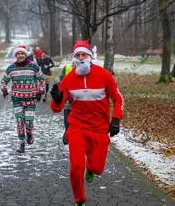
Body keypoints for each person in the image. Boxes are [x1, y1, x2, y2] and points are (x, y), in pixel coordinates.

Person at [50, 40, 124, 206]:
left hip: (99, 129)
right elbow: (57, 108)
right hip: (77, 128)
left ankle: (91, 169)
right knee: (76, 167)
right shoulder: (68, 79)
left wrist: (116, 119)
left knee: (98, 168)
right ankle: (80, 201)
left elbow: (118, 98)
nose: (82, 58)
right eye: (78, 55)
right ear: (74, 58)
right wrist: (56, 100)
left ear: (90, 57)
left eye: (84, 55)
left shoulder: (104, 75)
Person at [1, 45, 46, 153]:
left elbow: (42, 79)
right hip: (17, 99)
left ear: (26, 55)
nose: (20, 55)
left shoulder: (33, 66)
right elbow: (4, 81)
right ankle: (22, 143)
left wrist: (40, 93)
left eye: (22, 53)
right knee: (19, 122)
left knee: (29, 121)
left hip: (31, 99)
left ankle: (29, 133)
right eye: (18, 54)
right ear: (16, 55)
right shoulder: (11, 68)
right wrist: (4, 90)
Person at [55, 63, 75, 145]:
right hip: (68, 104)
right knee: (67, 124)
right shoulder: (67, 67)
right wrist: (60, 83)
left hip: (81, 105)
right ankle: (66, 133)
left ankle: (73, 144)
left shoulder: (86, 70)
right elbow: (58, 77)